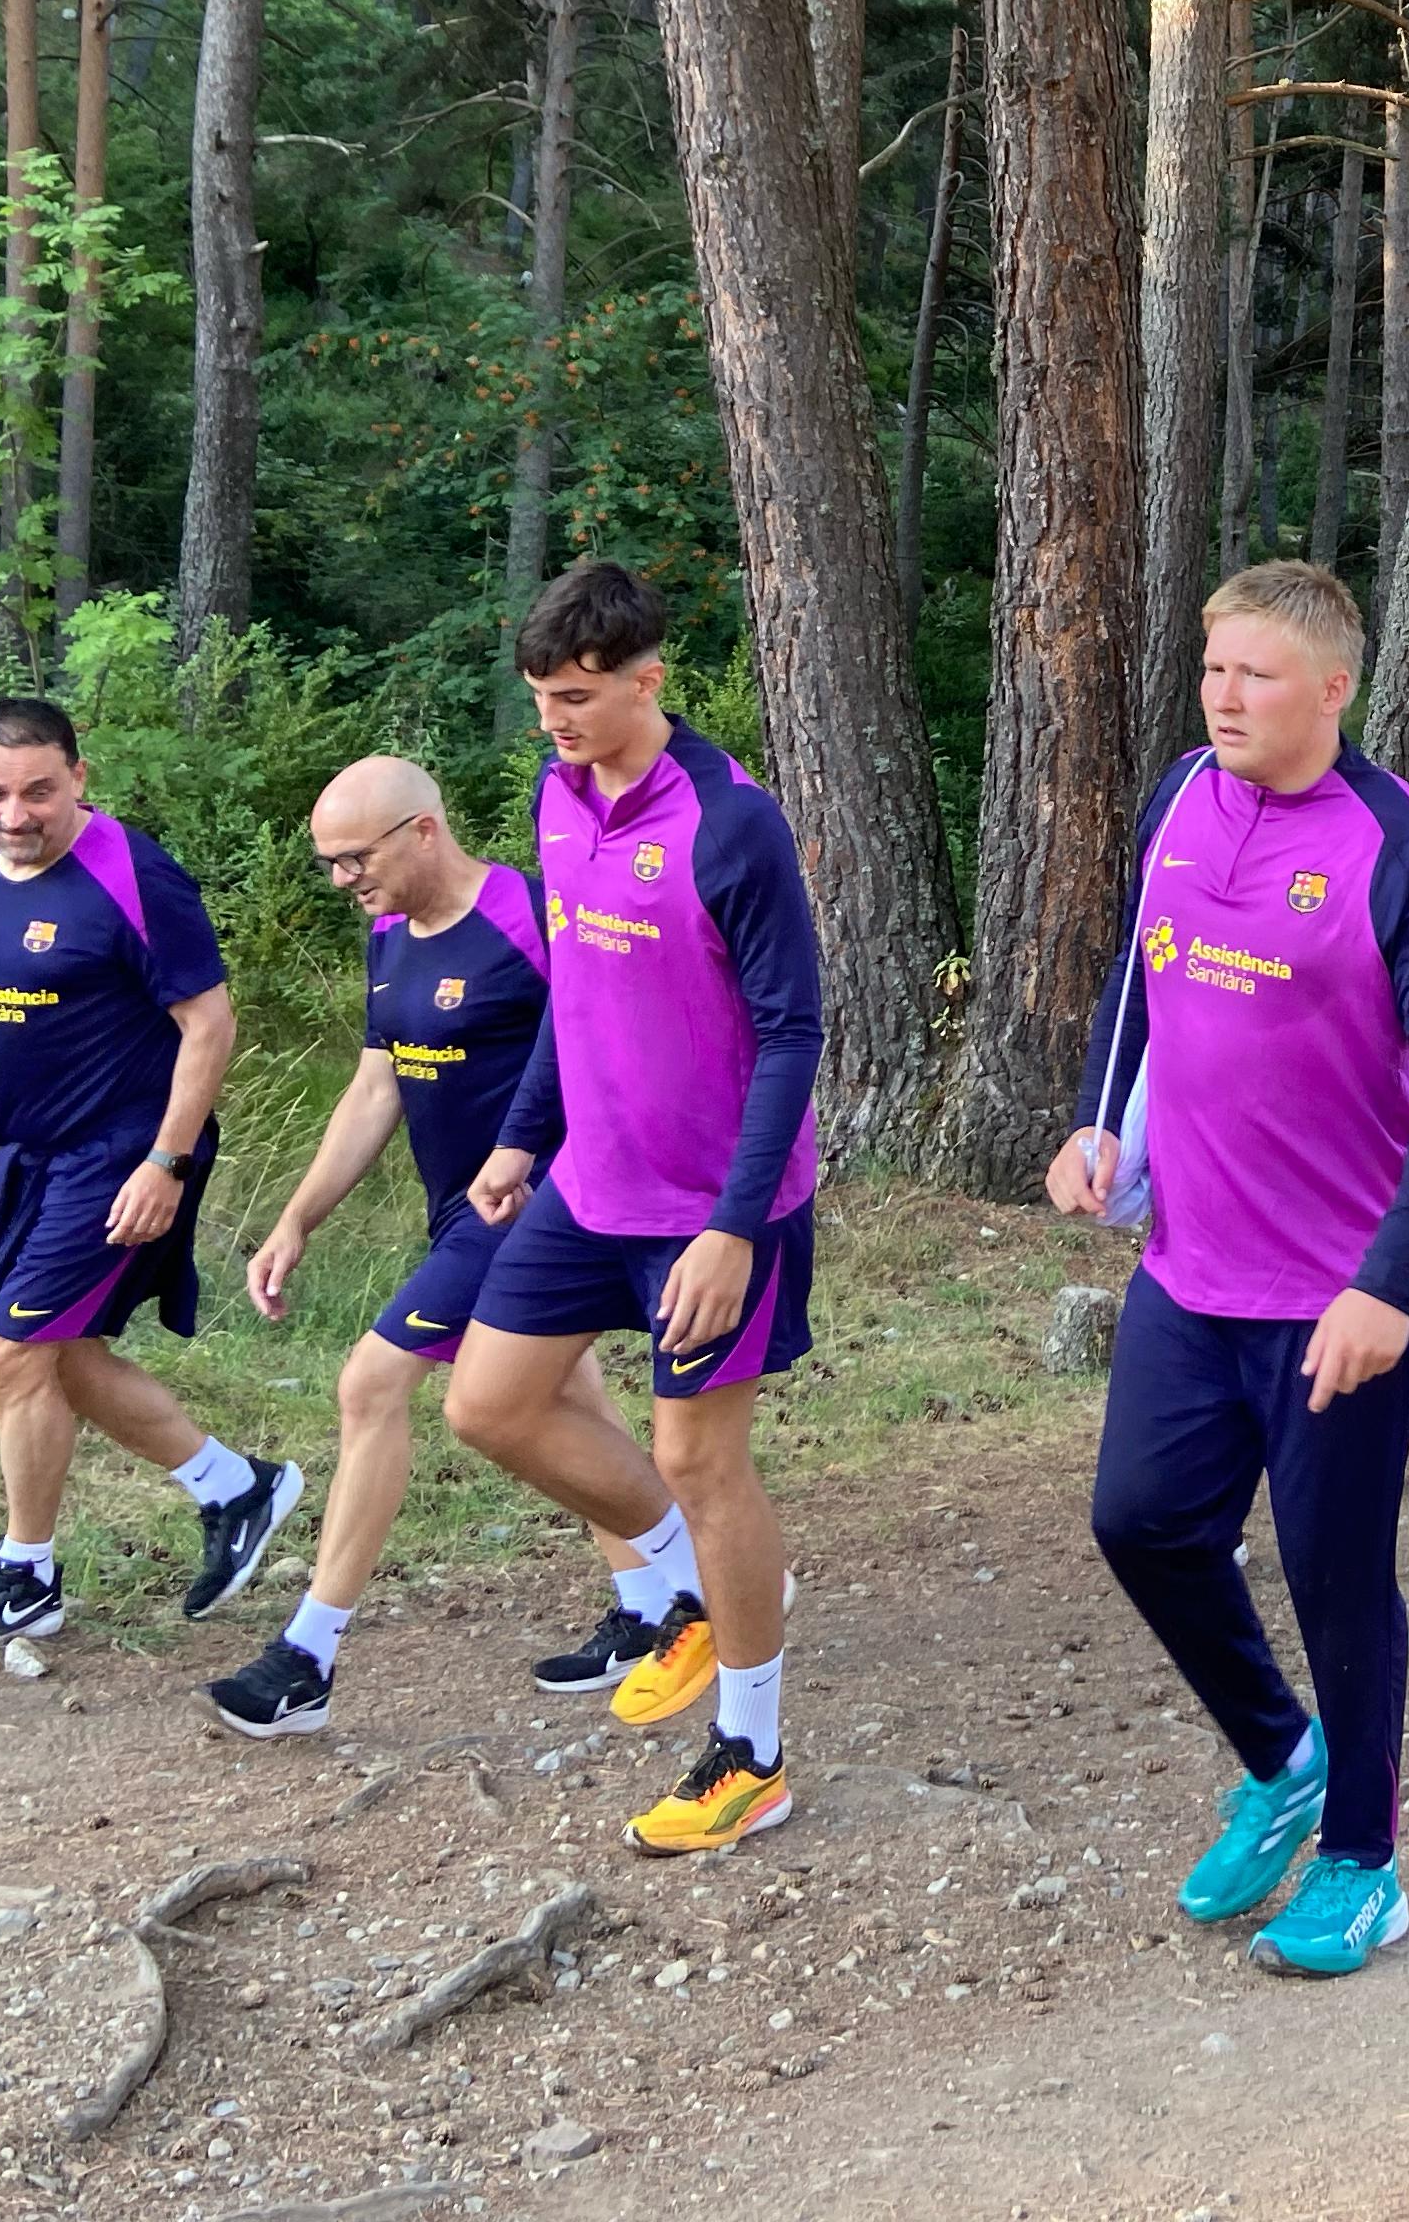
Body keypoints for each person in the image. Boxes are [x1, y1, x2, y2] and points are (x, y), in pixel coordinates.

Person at [1054, 560, 1409, 1981]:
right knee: (1142, 1525)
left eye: (1254, 673)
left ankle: (1365, 1863)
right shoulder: (1183, 792)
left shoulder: (1399, 845)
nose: (1225, 696)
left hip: (1340, 1294)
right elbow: (1142, 971)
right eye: (1212, 669)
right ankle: (1279, 1753)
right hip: (1192, 1266)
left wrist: (1388, 1281)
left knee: (1332, 1571)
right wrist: (1096, 1119)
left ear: (1332, 686)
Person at [449, 563, 818, 1858]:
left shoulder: (731, 823)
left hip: (713, 1206)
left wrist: (732, 1225)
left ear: (647, 679)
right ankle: (695, 1595)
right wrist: (520, 1138)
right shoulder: (558, 796)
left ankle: (754, 1752)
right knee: (486, 1403)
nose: (554, 721)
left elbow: (792, 1030)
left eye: (576, 698)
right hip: (586, 1185)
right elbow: (573, 994)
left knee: (701, 1457)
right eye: (543, 698)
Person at [203, 758, 668, 1738]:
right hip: (451, 1211)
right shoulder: (387, 938)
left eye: (353, 858)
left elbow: (614, 1043)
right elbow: (376, 1088)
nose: (342, 880)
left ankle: (308, 1655)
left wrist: (572, 1174)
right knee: (566, 1398)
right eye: (328, 863)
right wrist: (297, 1216)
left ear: (421, 829)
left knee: (371, 1383)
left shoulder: (529, 919)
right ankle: (665, 1602)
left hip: (529, 1214)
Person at [0, 701, 302, 1647]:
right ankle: (238, 1487)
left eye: (38, 791)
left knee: (10, 1355)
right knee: (61, 1352)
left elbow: (210, 1024)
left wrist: (166, 1161)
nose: (14, 815)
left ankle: (26, 1574)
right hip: (28, 1153)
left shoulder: (136, 878)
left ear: (80, 777)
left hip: (120, 1155)